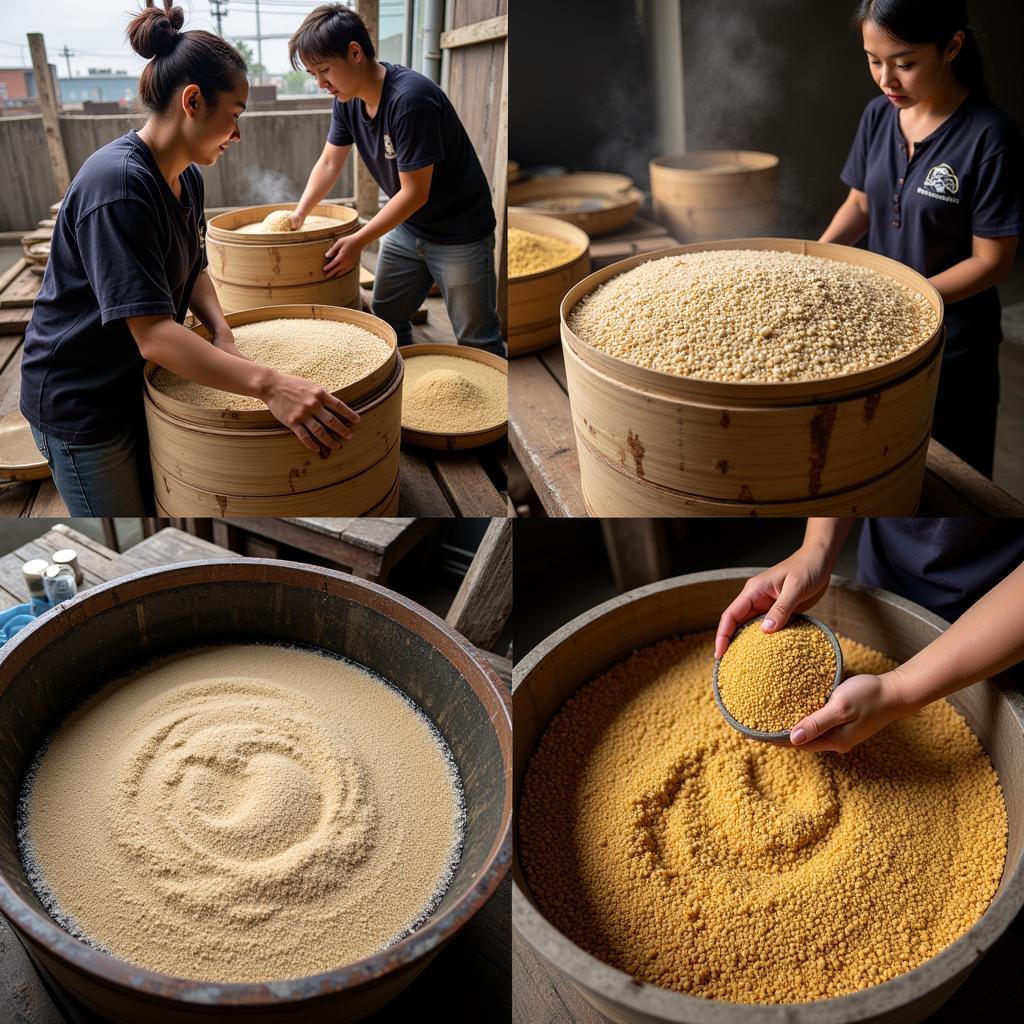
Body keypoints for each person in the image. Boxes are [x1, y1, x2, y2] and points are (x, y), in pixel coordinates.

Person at [21, 1, 359, 516]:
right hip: (82, 402)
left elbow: (194, 265)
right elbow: (154, 333)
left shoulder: (186, 176)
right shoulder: (118, 187)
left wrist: (222, 333)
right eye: (235, 115)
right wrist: (271, 385)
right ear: (193, 100)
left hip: (135, 377)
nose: (238, 135)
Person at [821, 0, 1023, 476]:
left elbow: (992, 261)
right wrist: (815, 258)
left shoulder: (990, 137)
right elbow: (861, 204)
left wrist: (908, 297)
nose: (886, 80)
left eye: (905, 63)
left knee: (952, 481)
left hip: (954, 349)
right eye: (874, 60)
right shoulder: (877, 116)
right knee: (882, 468)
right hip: (881, 342)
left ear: (952, 46)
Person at [287, 4, 504, 356]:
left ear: (355, 52)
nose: (320, 84)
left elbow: (416, 192)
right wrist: (298, 215)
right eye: (313, 74)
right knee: (387, 318)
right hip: (409, 228)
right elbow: (329, 162)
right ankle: (408, 388)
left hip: (460, 233)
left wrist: (357, 240)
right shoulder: (346, 100)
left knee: (477, 338)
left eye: (324, 70)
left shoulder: (410, 100)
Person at [716, 518, 1024, 753]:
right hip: (886, 564)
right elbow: (857, 450)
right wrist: (816, 547)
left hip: (998, 625)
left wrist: (897, 690)